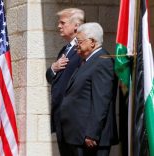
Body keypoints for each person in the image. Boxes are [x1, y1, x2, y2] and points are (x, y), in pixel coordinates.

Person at [60, 22, 119, 156]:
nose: (76, 45)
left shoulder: (102, 62)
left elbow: (101, 101)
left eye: (79, 41)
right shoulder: (88, 61)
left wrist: (92, 133)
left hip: (90, 138)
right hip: (78, 136)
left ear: (92, 42)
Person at [46, 8, 85, 156]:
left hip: (74, 121)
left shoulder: (83, 49)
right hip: (61, 119)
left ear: (76, 25)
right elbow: (50, 76)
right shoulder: (65, 49)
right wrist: (53, 68)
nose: (58, 26)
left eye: (63, 23)